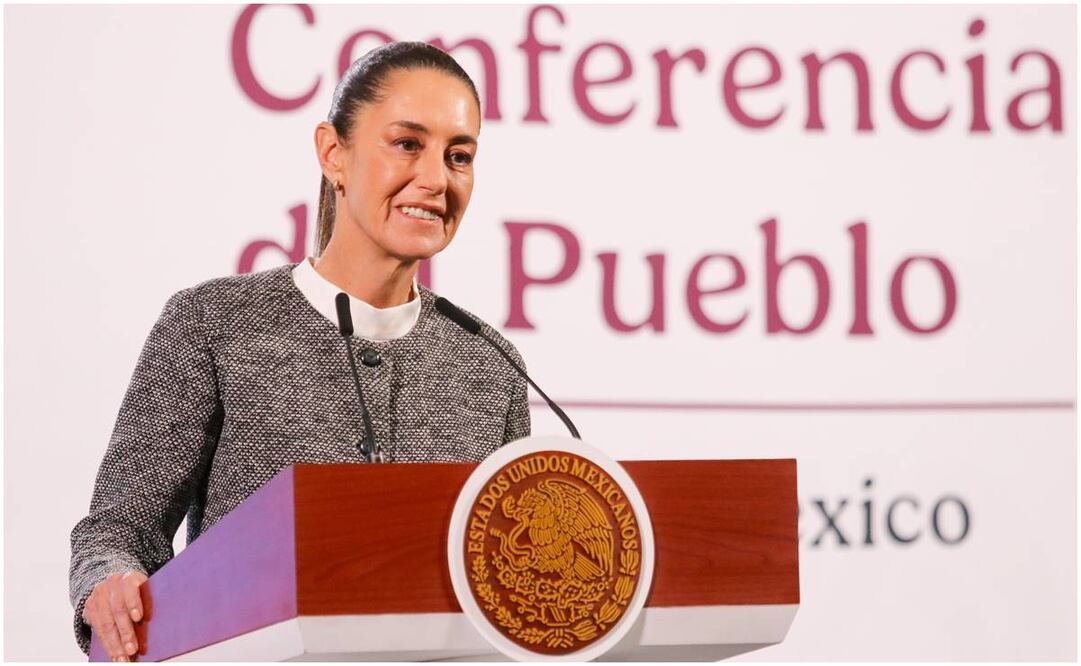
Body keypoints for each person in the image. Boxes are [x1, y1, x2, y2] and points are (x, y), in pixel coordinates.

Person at [68, 42, 531, 660]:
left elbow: (511, 577)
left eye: (459, 156)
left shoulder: (490, 366)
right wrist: (108, 582)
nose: (436, 178)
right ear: (333, 153)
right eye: (407, 144)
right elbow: (117, 532)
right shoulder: (214, 323)